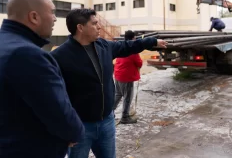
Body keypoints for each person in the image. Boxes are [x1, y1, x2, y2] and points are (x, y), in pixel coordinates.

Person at [50, 8, 167, 158]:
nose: (99, 26)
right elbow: (54, 97)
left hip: (107, 122)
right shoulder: (59, 57)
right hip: (80, 127)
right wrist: (64, 128)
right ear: (80, 27)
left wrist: (152, 41)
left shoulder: (104, 46)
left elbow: (127, 46)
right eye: (94, 23)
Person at [0, 0, 84, 158]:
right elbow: (58, 112)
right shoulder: (27, 54)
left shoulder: (6, 44)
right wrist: (75, 133)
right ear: (34, 17)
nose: (54, 18)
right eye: (52, 12)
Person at [113, 30, 142, 124]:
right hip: (126, 77)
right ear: (133, 38)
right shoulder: (132, 49)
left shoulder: (121, 46)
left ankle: (108, 113)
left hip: (118, 75)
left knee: (118, 94)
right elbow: (139, 63)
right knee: (127, 97)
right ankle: (125, 117)